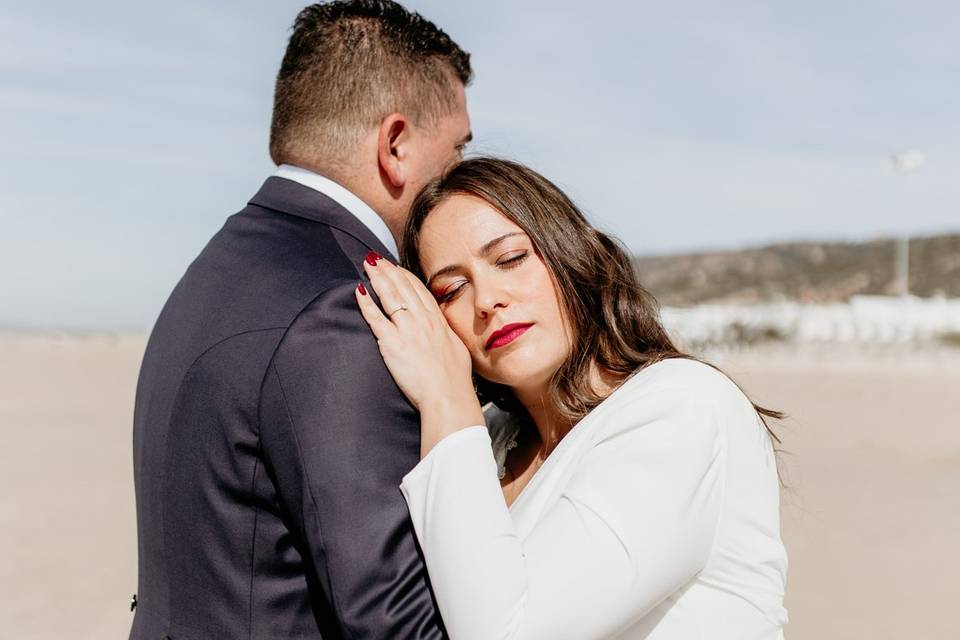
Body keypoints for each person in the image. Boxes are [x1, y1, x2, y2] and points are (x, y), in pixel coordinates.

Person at [129, 2, 471, 638]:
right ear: (396, 146)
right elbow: (395, 625)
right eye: (456, 153)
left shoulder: (218, 269)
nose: (461, 180)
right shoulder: (345, 308)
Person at [355, 157, 789, 639]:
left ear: (568, 253)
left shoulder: (683, 407)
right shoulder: (490, 440)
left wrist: (446, 398)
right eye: (452, 289)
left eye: (510, 259)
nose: (486, 300)